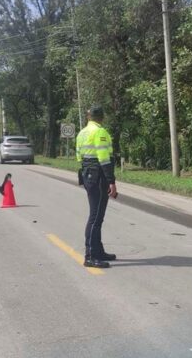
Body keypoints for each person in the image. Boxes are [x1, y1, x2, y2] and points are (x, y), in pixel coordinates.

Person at [76, 105, 118, 268]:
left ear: (88, 117)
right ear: (101, 117)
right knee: (95, 217)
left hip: (87, 174)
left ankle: (98, 250)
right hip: (98, 175)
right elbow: (104, 159)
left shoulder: (82, 133)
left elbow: (79, 156)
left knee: (97, 217)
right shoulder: (100, 132)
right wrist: (111, 181)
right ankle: (90, 256)